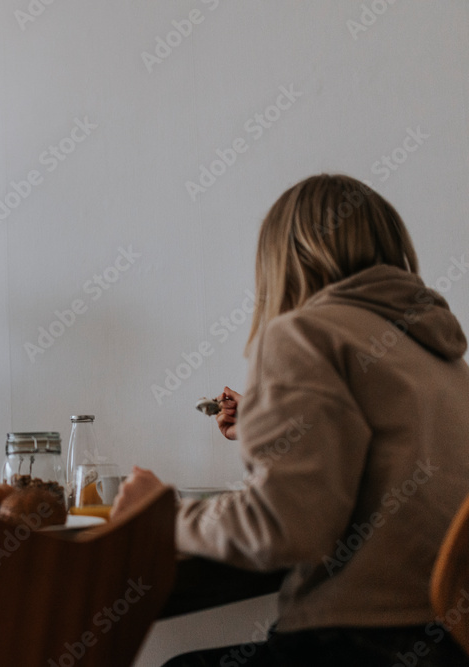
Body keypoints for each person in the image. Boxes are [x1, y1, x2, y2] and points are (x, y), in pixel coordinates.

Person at [112, 174, 469, 665]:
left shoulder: (306, 333)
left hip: (357, 644)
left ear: (285, 258)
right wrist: (271, 428)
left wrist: (161, 514)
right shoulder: (444, 357)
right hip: (446, 643)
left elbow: (282, 530)